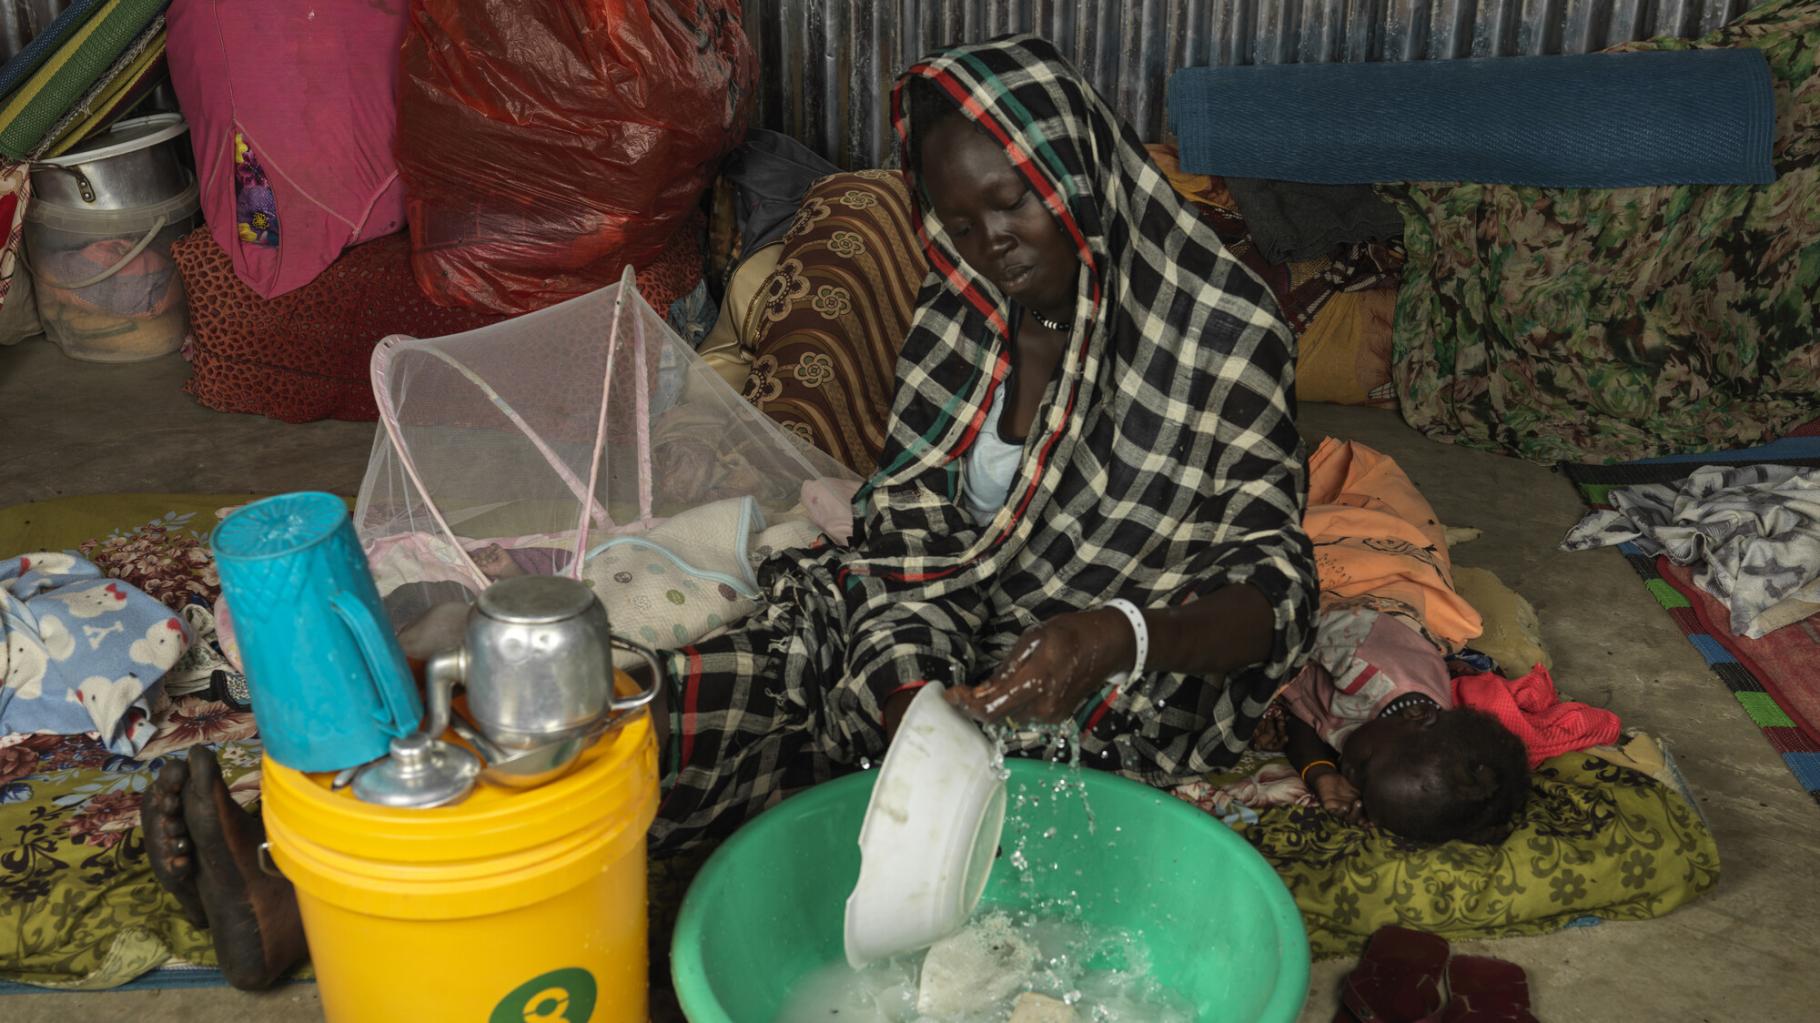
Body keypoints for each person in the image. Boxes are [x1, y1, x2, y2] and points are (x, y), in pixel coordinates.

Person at [141, 35, 1317, 989]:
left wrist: (1110, 638)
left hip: (1105, 686)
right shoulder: (969, 320)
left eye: (1011, 204)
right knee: (652, 719)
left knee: (932, 824)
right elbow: (908, 521)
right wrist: (905, 676)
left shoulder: (1216, 339)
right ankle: (327, 900)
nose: (987, 244)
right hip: (916, 626)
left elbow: (1272, 596)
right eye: (955, 223)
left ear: (1075, 177)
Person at [1273, 607, 1531, 845]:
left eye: (1362, 789)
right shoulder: (1364, 666)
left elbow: (1306, 724)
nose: (1348, 770)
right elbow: (1284, 628)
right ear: (1417, 715)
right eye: (1365, 765)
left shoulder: (1391, 744)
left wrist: (1322, 775)